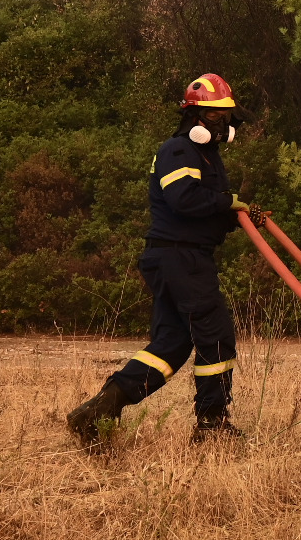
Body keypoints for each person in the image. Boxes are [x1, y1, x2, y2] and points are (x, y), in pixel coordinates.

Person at [67, 73, 252, 448]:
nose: (223, 124)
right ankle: (212, 423)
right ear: (195, 117)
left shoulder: (205, 155)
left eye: (225, 115)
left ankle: (100, 410)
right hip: (181, 257)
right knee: (216, 336)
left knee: (172, 343)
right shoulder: (179, 149)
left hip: (177, 256)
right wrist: (225, 204)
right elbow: (184, 200)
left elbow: (202, 209)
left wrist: (234, 216)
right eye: (216, 115)